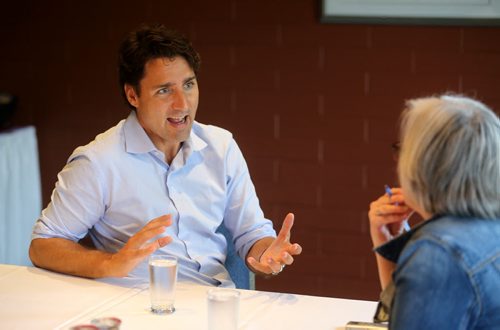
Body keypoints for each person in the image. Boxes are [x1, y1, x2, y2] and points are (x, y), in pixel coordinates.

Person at [29, 23, 302, 287]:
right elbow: (44, 245)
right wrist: (110, 263)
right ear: (133, 96)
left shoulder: (222, 147)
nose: (182, 104)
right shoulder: (99, 162)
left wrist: (267, 255)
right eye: (164, 90)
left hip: (217, 301)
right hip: (144, 307)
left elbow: (251, 234)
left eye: (188, 85)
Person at [368, 94, 500, 329]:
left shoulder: (439, 253)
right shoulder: (489, 226)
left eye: (403, 150)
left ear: (424, 165)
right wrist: (386, 243)